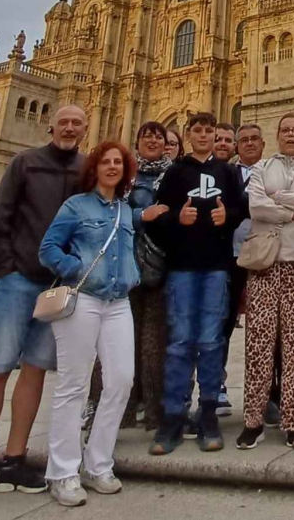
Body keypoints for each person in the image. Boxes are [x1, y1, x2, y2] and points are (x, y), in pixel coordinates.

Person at [0, 104, 87, 515]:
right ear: (51, 126)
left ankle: (14, 460)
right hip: (17, 282)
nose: (69, 128)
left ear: (85, 130)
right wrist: (4, 270)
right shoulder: (24, 163)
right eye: (63, 122)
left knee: (34, 372)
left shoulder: (86, 169)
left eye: (77, 123)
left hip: (56, 286)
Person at [38, 140, 140, 504]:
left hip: (118, 302)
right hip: (83, 300)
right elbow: (48, 248)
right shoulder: (75, 206)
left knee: (121, 380)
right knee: (74, 385)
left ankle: (99, 464)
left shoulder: (126, 211)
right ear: (94, 168)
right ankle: (63, 472)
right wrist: (73, 268)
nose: (112, 167)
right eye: (105, 162)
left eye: (118, 162)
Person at [144, 112, 247, 456]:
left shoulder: (228, 172)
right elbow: (156, 220)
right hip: (182, 268)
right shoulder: (175, 173)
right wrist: (178, 218)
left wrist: (226, 217)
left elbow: (241, 211)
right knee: (180, 342)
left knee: (211, 340)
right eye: (198, 131)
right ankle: (173, 417)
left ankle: (208, 415)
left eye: (209, 131)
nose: (203, 136)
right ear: (188, 135)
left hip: (217, 267)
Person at [237, 115, 294, 449]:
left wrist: (278, 197)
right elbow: (256, 206)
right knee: (258, 342)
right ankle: (253, 421)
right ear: (277, 135)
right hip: (264, 262)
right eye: (285, 130)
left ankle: (293, 420)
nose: (290, 135)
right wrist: (291, 209)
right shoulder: (262, 167)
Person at [123, 122, 170, 430]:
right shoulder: (124, 175)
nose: (152, 140)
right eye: (147, 135)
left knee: (155, 341)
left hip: (161, 265)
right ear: (136, 141)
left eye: (158, 136)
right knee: (119, 342)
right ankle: (118, 410)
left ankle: (154, 409)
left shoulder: (174, 173)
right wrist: (142, 215)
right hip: (125, 267)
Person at [225, 122, 267, 418]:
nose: (250, 144)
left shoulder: (273, 172)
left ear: (263, 144)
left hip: (266, 256)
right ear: (236, 146)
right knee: (222, 325)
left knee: (265, 330)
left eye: (255, 139)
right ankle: (215, 389)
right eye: (244, 140)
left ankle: (267, 397)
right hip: (229, 257)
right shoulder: (225, 174)